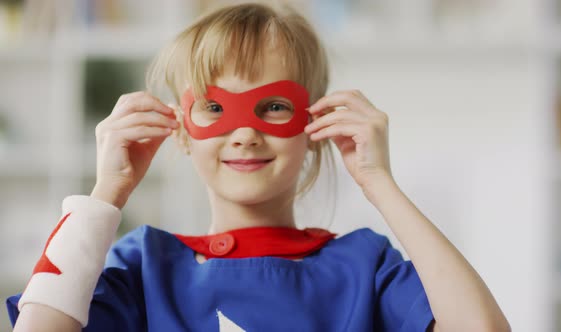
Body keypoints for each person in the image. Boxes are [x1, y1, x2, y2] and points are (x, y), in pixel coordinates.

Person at [6, 2, 510, 332]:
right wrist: (106, 193)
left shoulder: (365, 266)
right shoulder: (144, 266)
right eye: (215, 108)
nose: (245, 132)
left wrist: (380, 183)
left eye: (273, 107)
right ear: (181, 129)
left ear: (315, 128)